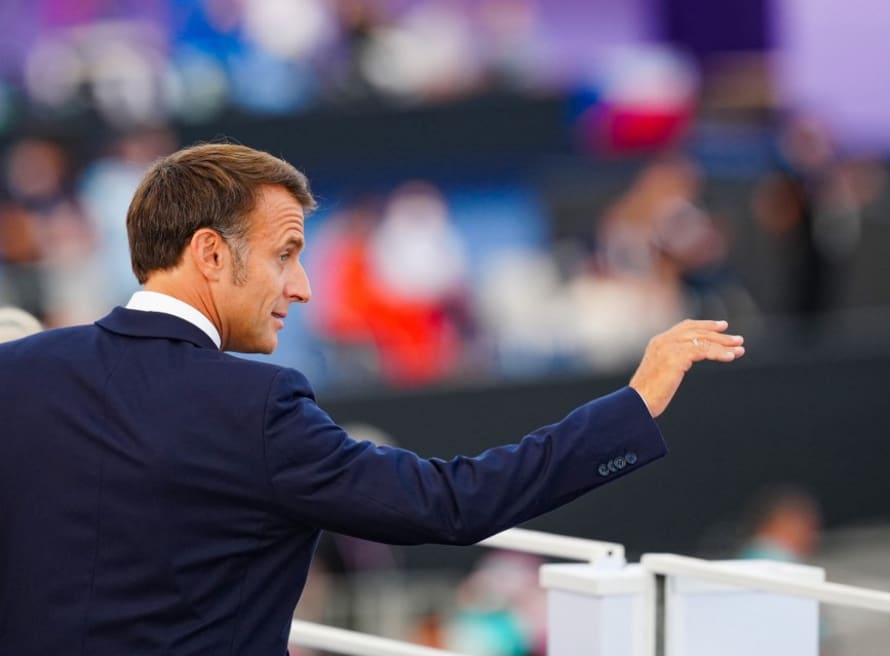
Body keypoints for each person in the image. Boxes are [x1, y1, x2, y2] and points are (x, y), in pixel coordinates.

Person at [0, 143, 746, 655]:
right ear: (210, 253)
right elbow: (452, 504)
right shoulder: (259, 405)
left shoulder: (19, 372)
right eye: (285, 254)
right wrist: (636, 404)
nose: (303, 286)